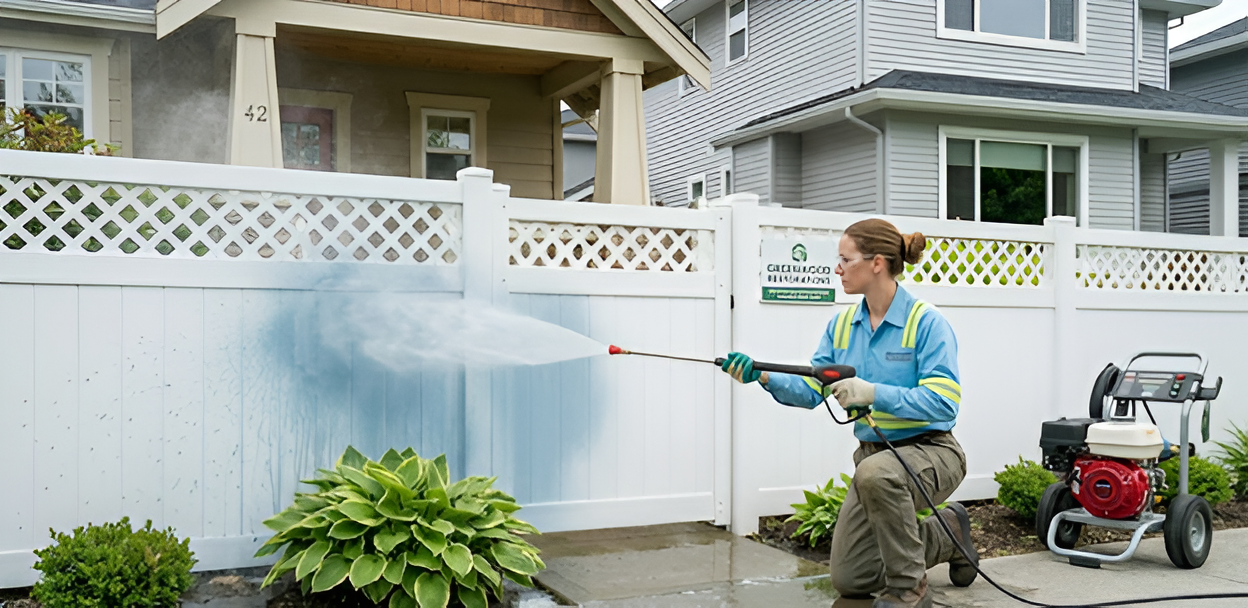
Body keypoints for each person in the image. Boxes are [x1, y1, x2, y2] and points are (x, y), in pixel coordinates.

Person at [721, 218, 977, 608]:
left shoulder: (926, 323)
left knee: (876, 474)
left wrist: (874, 393)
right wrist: (764, 376)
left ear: (877, 262)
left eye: (845, 258)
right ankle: (949, 535)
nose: (837, 268)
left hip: (933, 453)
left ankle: (909, 590)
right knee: (851, 578)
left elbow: (944, 402)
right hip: (875, 462)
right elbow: (811, 390)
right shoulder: (842, 327)